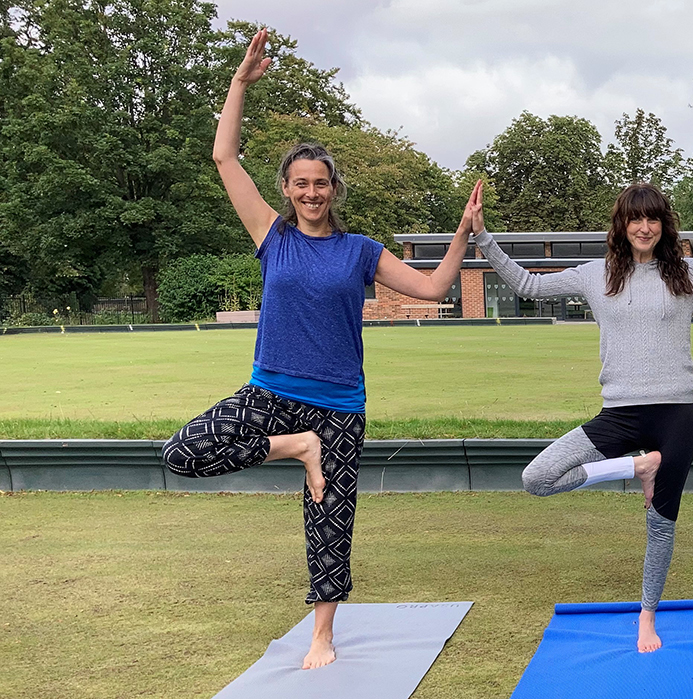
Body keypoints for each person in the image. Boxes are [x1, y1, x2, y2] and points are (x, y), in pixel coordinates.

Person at [161, 29, 481, 670]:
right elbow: (225, 157)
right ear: (286, 189)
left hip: (339, 405)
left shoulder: (359, 250)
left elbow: (435, 287)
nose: (311, 193)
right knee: (182, 452)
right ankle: (296, 449)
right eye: (301, 183)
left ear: (334, 189)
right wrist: (240, 82)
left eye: (321, 184)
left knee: (330, 522)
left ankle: (322, 634)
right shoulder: (271, 236)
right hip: (271, 392)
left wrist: (462, 233)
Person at [468, 182, 693, 652]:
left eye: (653, 218)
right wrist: (482, 235)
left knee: (661, 523)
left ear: (663, 225)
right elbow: (529, 285)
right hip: (620, 414)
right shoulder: (597, 275)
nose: (644, 227)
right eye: (636, 219)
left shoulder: (689, 274)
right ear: (622, 225)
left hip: (675, 416)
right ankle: (638, 467)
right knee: (538, 477)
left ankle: (646, 617)